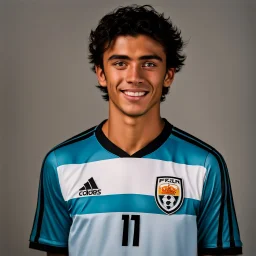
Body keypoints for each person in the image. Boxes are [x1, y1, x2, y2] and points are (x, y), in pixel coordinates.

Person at [29, 5, 242, 256]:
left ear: (168, 75)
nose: (134, 77)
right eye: (120, 63)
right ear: (101, 73)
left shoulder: (205, 165)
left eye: (149, 63)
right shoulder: (62, 163)